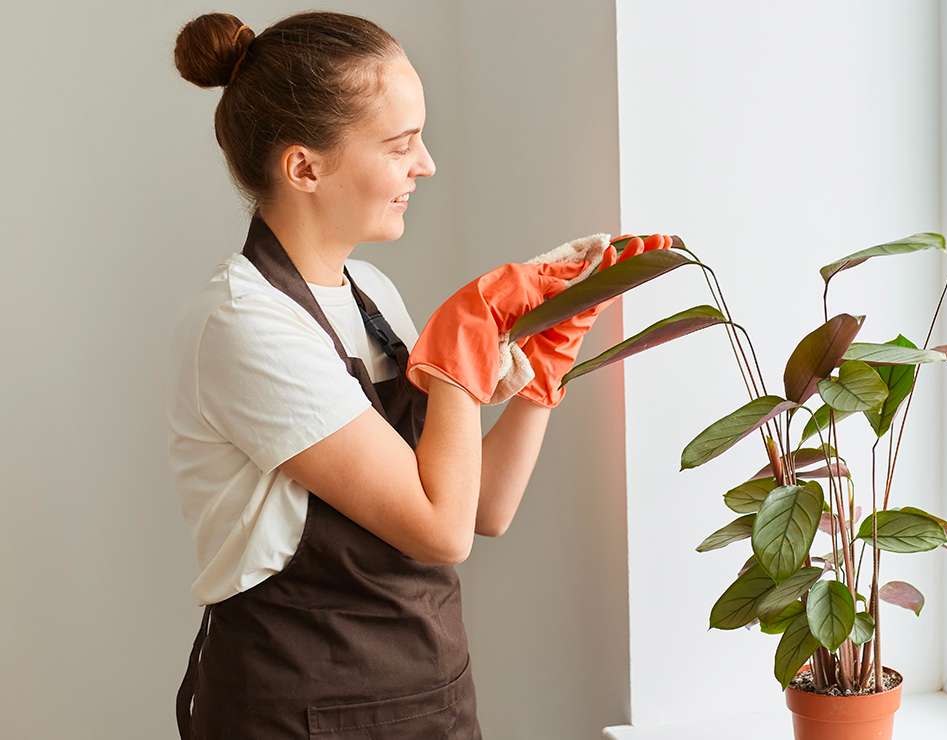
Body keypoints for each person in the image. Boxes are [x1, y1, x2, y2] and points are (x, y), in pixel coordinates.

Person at [166, 10, 668, 739]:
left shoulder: (371, 295)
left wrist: (543, 365)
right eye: (401, 145)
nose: (426, 164)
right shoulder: (245, 325)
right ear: (304, 167)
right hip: (294, 709)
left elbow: (482, 508)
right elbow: (440, 532)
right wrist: (463, 342)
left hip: (428, 695)